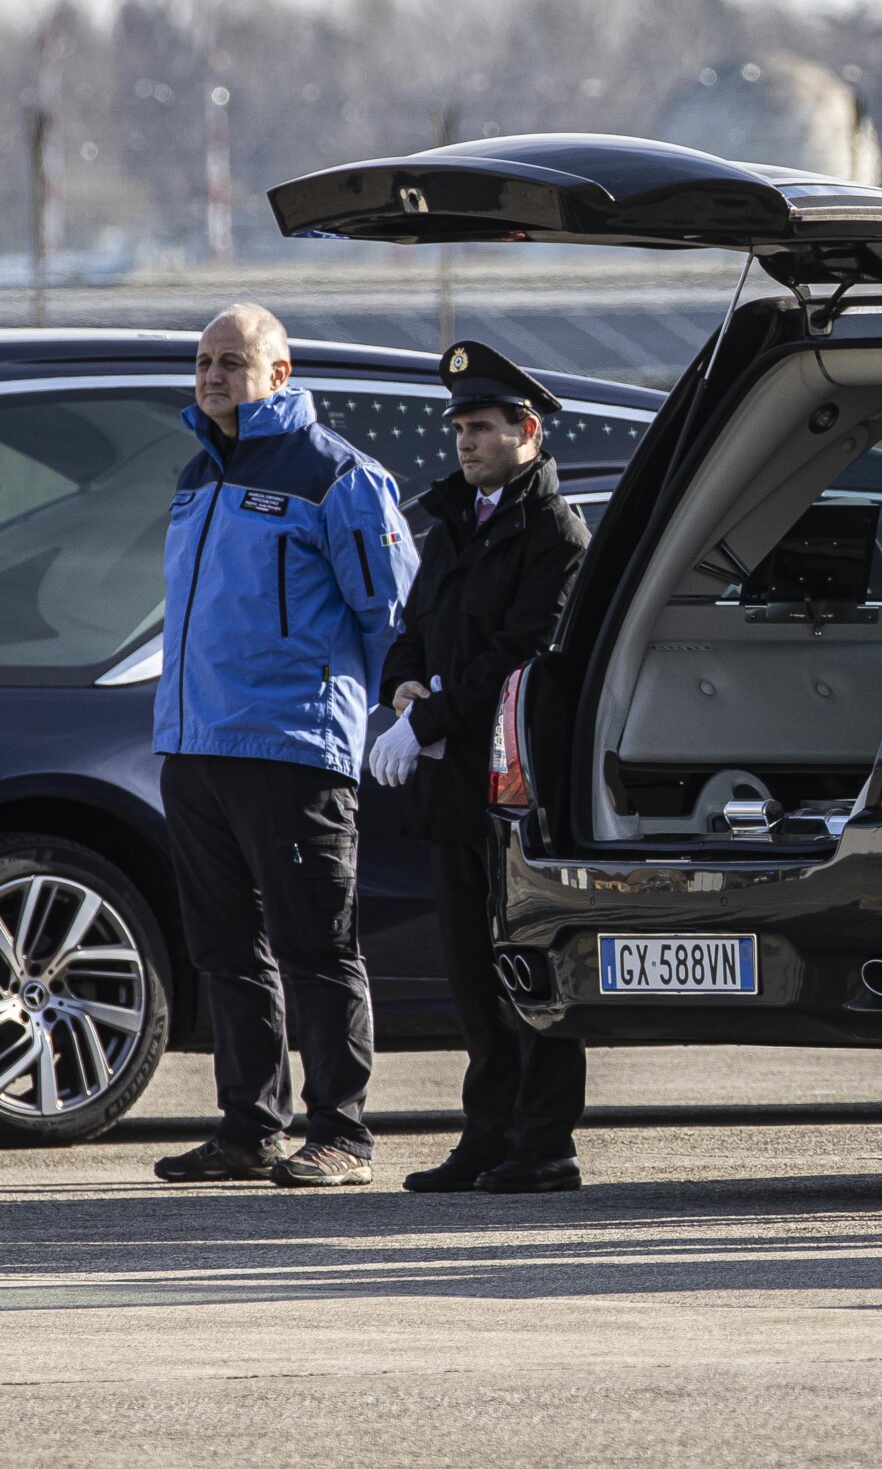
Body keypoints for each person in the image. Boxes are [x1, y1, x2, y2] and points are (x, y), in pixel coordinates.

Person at [150, 304, 417, 1188]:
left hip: (292, 747)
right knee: (224, 946)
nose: (214, 376)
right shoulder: (198, 473)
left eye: (231, 361)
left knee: (316, 943)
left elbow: (394, 620)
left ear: (280, 371)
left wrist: (407, 718)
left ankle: (342, 1130)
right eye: (203, 363)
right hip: (197, 746)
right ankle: (249, 1125)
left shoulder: (338, 476)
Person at [370, 341, 592, 1195]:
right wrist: (402, 688)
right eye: (460, 426)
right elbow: (413, 627)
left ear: (527, 430)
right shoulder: (454, 517)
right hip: (453, 780)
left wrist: (429, 713)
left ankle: (543, 1143)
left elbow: (520, 656)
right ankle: (487, 1135)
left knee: (522, 967)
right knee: (470, 969)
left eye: (484, 426)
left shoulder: (553, 532)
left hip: (516, 788)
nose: (466, 441)